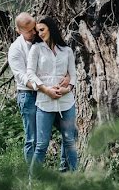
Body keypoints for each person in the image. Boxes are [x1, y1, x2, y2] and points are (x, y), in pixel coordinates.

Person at [7, 12, 69, 166]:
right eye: (29, 31)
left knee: (69, 132)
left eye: (35, 28)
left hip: (49, 92)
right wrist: (45, 89)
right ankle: (34, 180)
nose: (34, 32)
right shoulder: (16, 49)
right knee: (34, 139)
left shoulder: (45, 41)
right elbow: (24, 78)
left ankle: (65, 171)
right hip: (29, 96)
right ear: (18, 31)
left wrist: (66, 78)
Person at [26, 16, 78, 174]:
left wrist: (67, 88)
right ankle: (32, 182)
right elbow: (30, 73)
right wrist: (45, 89)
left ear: (51, 28)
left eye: (42, 29)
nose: (39, 33)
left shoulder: (66, 50)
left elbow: (73, 75)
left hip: (66, 102)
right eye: (37, 31)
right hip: (44, 102)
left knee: (69, 140)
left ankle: (77, 177)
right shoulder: (36, 49)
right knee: (41, 145)